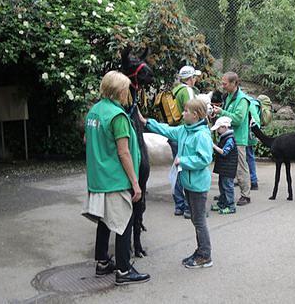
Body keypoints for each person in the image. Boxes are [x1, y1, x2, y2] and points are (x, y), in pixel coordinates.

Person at [82, 71, 150, 285]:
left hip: (98, 177)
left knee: (104, 220)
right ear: (120, 91)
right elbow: (124, 153)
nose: (128, 93)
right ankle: (123, 270)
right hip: (115, 178)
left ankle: (102, 261)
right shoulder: (117, 116)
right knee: (124, 222)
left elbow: (87, 140)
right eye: (126, 89)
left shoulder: (94, 111)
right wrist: (135, 183)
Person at [139, 98, 214, 268]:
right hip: (188, 183)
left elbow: (205, 159)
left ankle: (205, 255)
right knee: (196, 219)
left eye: (186, 111)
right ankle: (201, 251)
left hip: (198, 185)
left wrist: (183, 160)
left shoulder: (201, 135)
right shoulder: (184, 130)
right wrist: (146, 122)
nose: (183, 113)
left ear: (195, 115)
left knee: (199, 220)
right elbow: (166, 130)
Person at [212, 72, 252, 206]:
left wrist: (221, 112)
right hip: (227, 137)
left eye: (225, 84)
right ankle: (225, 194)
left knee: (241, 168)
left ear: (234, 83)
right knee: (225, 168)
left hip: (238, 139)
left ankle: (245, 195)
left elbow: (238, 119)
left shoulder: (242, 99)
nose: (222, 86)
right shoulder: (229, 96)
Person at [170, 65, 202, 218]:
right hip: (186, 133)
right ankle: (189, 207)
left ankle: (179, 205)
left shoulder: (176, 91)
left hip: (177, 133)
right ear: (190, 78)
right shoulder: (188, 91)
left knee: (178, 168)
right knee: (187, 168)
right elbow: (194, 112)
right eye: (194, 77)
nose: (195, 80)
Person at [210, 116, 238, 214]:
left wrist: (213, 146)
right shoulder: (224, 137)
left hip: (228, 167)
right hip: (224, 167)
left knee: (227, 186)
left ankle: (231, 206)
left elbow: (224, 152)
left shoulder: (229, 139)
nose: (217, 130)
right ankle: (222, 203)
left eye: (218, 128)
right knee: (222, 185)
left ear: (225, 127)